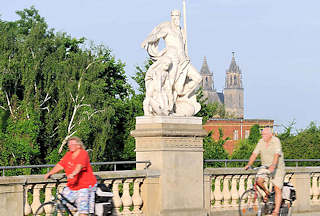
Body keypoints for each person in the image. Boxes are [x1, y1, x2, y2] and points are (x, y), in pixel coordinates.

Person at [141, 9, 202, 116]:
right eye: (174, 16)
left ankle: (182, 92)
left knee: (198, 78)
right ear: (171, 17)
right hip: (173, 60)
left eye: (178, 16)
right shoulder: (167, 28)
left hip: (184, 60)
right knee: (170, 84)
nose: (176, 19)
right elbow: (156, 36)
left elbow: (183, 46)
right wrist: (147, 40)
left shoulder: (181, 30)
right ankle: (170, 106)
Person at [44, 136, 97, 216]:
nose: (70, 146)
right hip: (72, 185)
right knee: (63, 204)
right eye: (69, 144)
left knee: (83, 210)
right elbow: (60, 165)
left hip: (85, 186)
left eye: (73, 144)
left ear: (78, 145)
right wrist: (50, 173)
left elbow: (79, 166)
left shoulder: (83, 153)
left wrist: (73, 174)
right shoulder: (68, 154)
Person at [245, 128, 285, 216]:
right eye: (262, 134)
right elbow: (254, 154)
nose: (263, 136)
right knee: (258, 180)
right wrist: (249, 164)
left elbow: (277, 154)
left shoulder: (276, 141)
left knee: (277, 188)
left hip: (277, 167)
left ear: (270, 134)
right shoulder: (261, 142)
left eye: (265, 134)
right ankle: (267, 192)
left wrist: (273, 166)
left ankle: (276, 212)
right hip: (265, 166)